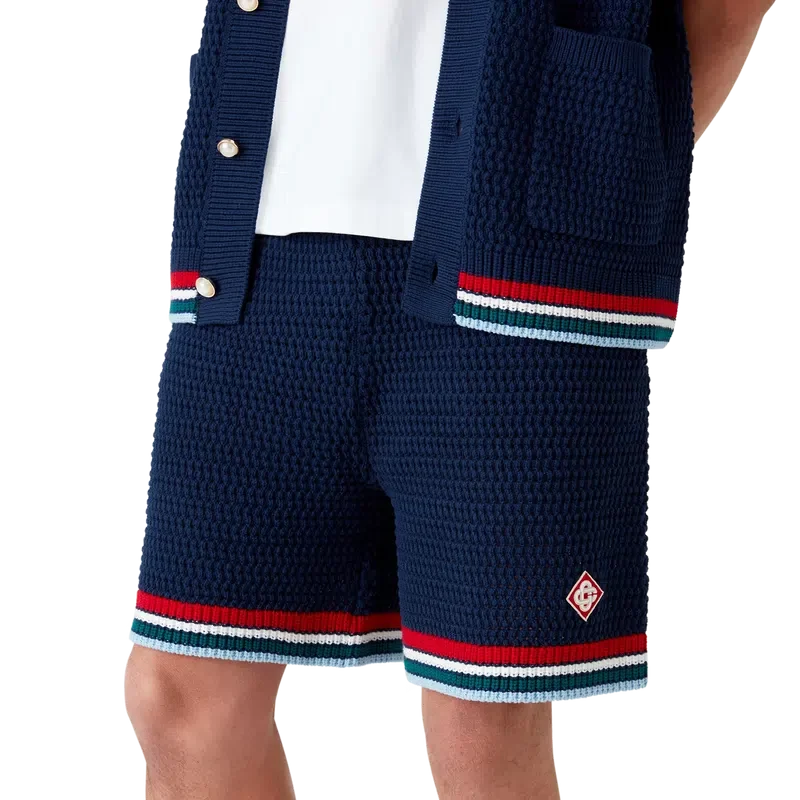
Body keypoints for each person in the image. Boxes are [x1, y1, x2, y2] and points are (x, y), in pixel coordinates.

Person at [124, 2, 774, 798]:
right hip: (254, 245)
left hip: (522, 270)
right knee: (181, 697)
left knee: (482, 728)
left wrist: (618, 146)